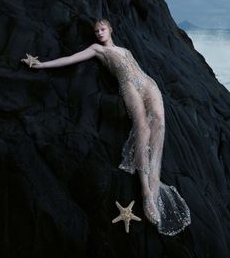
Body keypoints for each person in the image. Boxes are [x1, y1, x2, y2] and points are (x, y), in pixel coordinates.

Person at [21, 18, 191, 236]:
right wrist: (42, 64)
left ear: (110, 29)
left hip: (147, 82)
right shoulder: (97, 49)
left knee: (159, 122)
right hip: (128, 84)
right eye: (96, 31)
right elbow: (71, 59)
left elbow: (138, 68)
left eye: (102, 29)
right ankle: (146, 191)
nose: (99, 33)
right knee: (142, 127)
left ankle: (155, 181)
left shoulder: (125, 49)